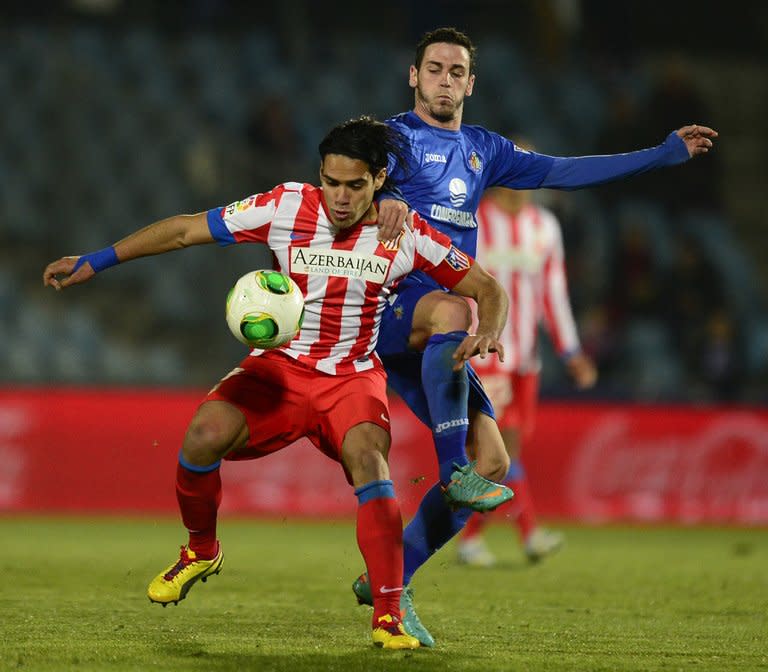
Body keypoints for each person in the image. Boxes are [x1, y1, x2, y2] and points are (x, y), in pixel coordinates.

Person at [41, 116, 510, 651]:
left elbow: (486, 287)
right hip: (280, 368)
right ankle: (200, 549)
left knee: (370, 465)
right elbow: (185, 230)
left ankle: (386, 614)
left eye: (354, 186)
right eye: (331, 182)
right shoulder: (286, 206)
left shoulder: (403, 233)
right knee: (201, 435)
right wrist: (96, 261)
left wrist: (489, 329)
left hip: (351, 377)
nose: (339, 197)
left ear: (378, 180)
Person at [351, 26, 718, 648]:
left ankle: (393, 578)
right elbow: (341, 180)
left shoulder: (484, 150)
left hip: (439, 334)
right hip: (392, 307)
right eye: (433, 69)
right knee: (454, 309)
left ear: (471, 82)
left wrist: (662, 154)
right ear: (413, 77)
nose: (445, 80)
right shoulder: (390, 141)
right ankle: (452, 468)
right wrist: (375, 197)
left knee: (497, 459)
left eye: (456, 71)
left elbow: (566, 171)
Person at [456, 174, 597, 568]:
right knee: (497, 448)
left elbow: (553, 292)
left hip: (526, 360)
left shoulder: (545, 227)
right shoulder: (475, 221)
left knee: (506, 450)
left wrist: (570, 351)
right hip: (487, 356)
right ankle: (528, 533)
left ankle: (472, 539)